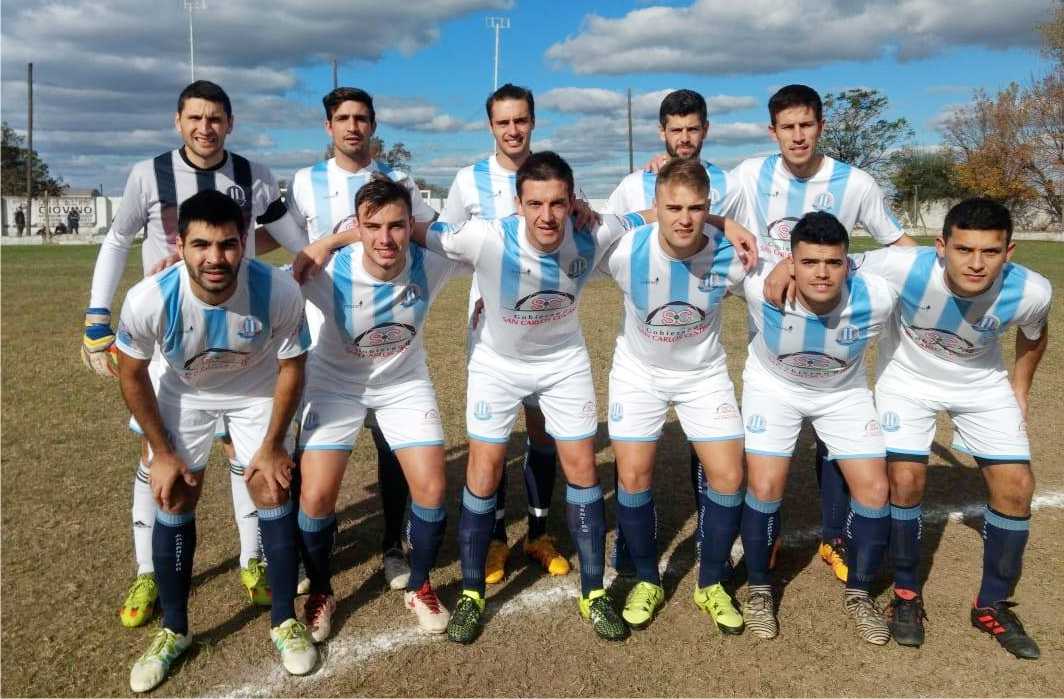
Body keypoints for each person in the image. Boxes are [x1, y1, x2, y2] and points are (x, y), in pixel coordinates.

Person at [79, 80, 311, 628]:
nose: (205, 128)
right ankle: (148, 572)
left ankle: (253, 559)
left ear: (230, 123)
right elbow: (117, 240)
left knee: (245, 452)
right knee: (159, 458)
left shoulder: (254, 173)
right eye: (195, 118)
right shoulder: (148, 174)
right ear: (178, 121)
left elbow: (291, 235)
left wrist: (323, 265)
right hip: (170, 333)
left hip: (239, 325)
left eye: (215, 118)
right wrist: (97, 315)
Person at [422, 151, 652, 643]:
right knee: (484, 469)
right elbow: (412, 230)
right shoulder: (484, 236)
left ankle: (593, 593)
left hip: (563, 364)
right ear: (517, 204)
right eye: (535, 204)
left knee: (583, 468)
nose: (547, 216)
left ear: (573, 202)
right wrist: (333, 241)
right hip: (496, 365)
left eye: (557, 203)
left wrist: (725, 225)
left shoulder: (594, 231)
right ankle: (471, 594)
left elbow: (654, 214)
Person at [115, 190, 315, 692]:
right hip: (185, 393)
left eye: (227, 244)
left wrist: (273, 444)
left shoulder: (278, 290)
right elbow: (132, 375)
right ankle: (175, 629)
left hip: (254, 392)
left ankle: (285, 620)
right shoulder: (149, 298)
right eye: (201, 245)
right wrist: (162, 453)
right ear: (180, 245)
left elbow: (293, 366)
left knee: (272, 486)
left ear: (244, 243)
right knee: (175, 494)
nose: (215, 257)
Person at [849, 198, 1051, 657]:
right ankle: (905, 594)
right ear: (941, 246)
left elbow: (1035, 333)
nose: (976, 263)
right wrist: (785, 269)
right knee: (904, 479)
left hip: (982, 385)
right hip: (907, 381)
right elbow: (838, 263)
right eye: (964, 249)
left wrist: (1020, 389)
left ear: (1009, 252)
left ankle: (992, 605)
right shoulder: (903, 266)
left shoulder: (1031, 291)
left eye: (990, 252)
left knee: (1017, 488)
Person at [737, 84, 915, 584]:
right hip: (773, 328)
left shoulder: (855, 183)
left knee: (833, 437)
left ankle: (834, 537)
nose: (798, 136)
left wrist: (817, 267)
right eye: (787, 127)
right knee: (769, 454)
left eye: (806, 125)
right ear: (772, 131)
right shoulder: (749, 174)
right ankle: (766, 538)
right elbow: (701, 201)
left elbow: (897, 246)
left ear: (821, 126)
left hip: (835, 324)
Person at [287, 86, 438, 591]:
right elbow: (285, 240)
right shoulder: (305, 181)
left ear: (373, 125)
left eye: (362, 118)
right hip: (324, 330)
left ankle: (393, 545)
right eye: (343, 118)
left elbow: (421, 233)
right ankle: (311, 550)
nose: (353, 126)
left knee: (391, 446)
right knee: (310, 454)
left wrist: (339, 237)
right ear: (328, 126)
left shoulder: (397, 180)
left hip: (387, 334)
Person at [295, 178, 458, 640]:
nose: (385, 238)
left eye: (396, 226)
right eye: (372, 227)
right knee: (316, 497)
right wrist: (327, 243)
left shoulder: (433, 262)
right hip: (335, 385)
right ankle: (321, 590)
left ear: (412, 226)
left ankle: (420, 585)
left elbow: (499, 239)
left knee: (431, 487)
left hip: (404, 384)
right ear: (357, 228)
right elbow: (258, 286)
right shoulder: (327, 271)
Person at [598, 158, 747, 634]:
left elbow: (782, 276)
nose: (684, 218)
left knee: (729, 477)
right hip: (638, 374)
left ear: (709, 207)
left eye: (696, 208)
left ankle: (711, 583)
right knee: (633, 476)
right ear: (656, 207)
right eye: (673, 207)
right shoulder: (625, 250)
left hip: (704, 375)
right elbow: (560, 250)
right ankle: (647, 578)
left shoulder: (731, 253)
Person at [737, 211, 897, 644]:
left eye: (832, 262)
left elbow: (921, 263)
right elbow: (696, 246)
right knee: (765, 485)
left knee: (875, 491)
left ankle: (860, 594)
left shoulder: (878, 296)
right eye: (809, 262)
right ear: (790, 261)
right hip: (774, 388)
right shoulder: (758, 283)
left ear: (848, 263)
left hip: (842, 394)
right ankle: (759, 589)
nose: (822, 273)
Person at [438, 83, 570, 585]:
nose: (513, 130)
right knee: (489, 442)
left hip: (546, 327)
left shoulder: (551, 173)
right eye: (503, 122)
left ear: (533, 121)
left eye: (521, 120)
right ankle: (494, 538)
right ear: (490, 126)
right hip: (491, 331)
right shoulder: (468, 180)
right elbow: (446, 242)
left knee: (541, 431)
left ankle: (538, 532)